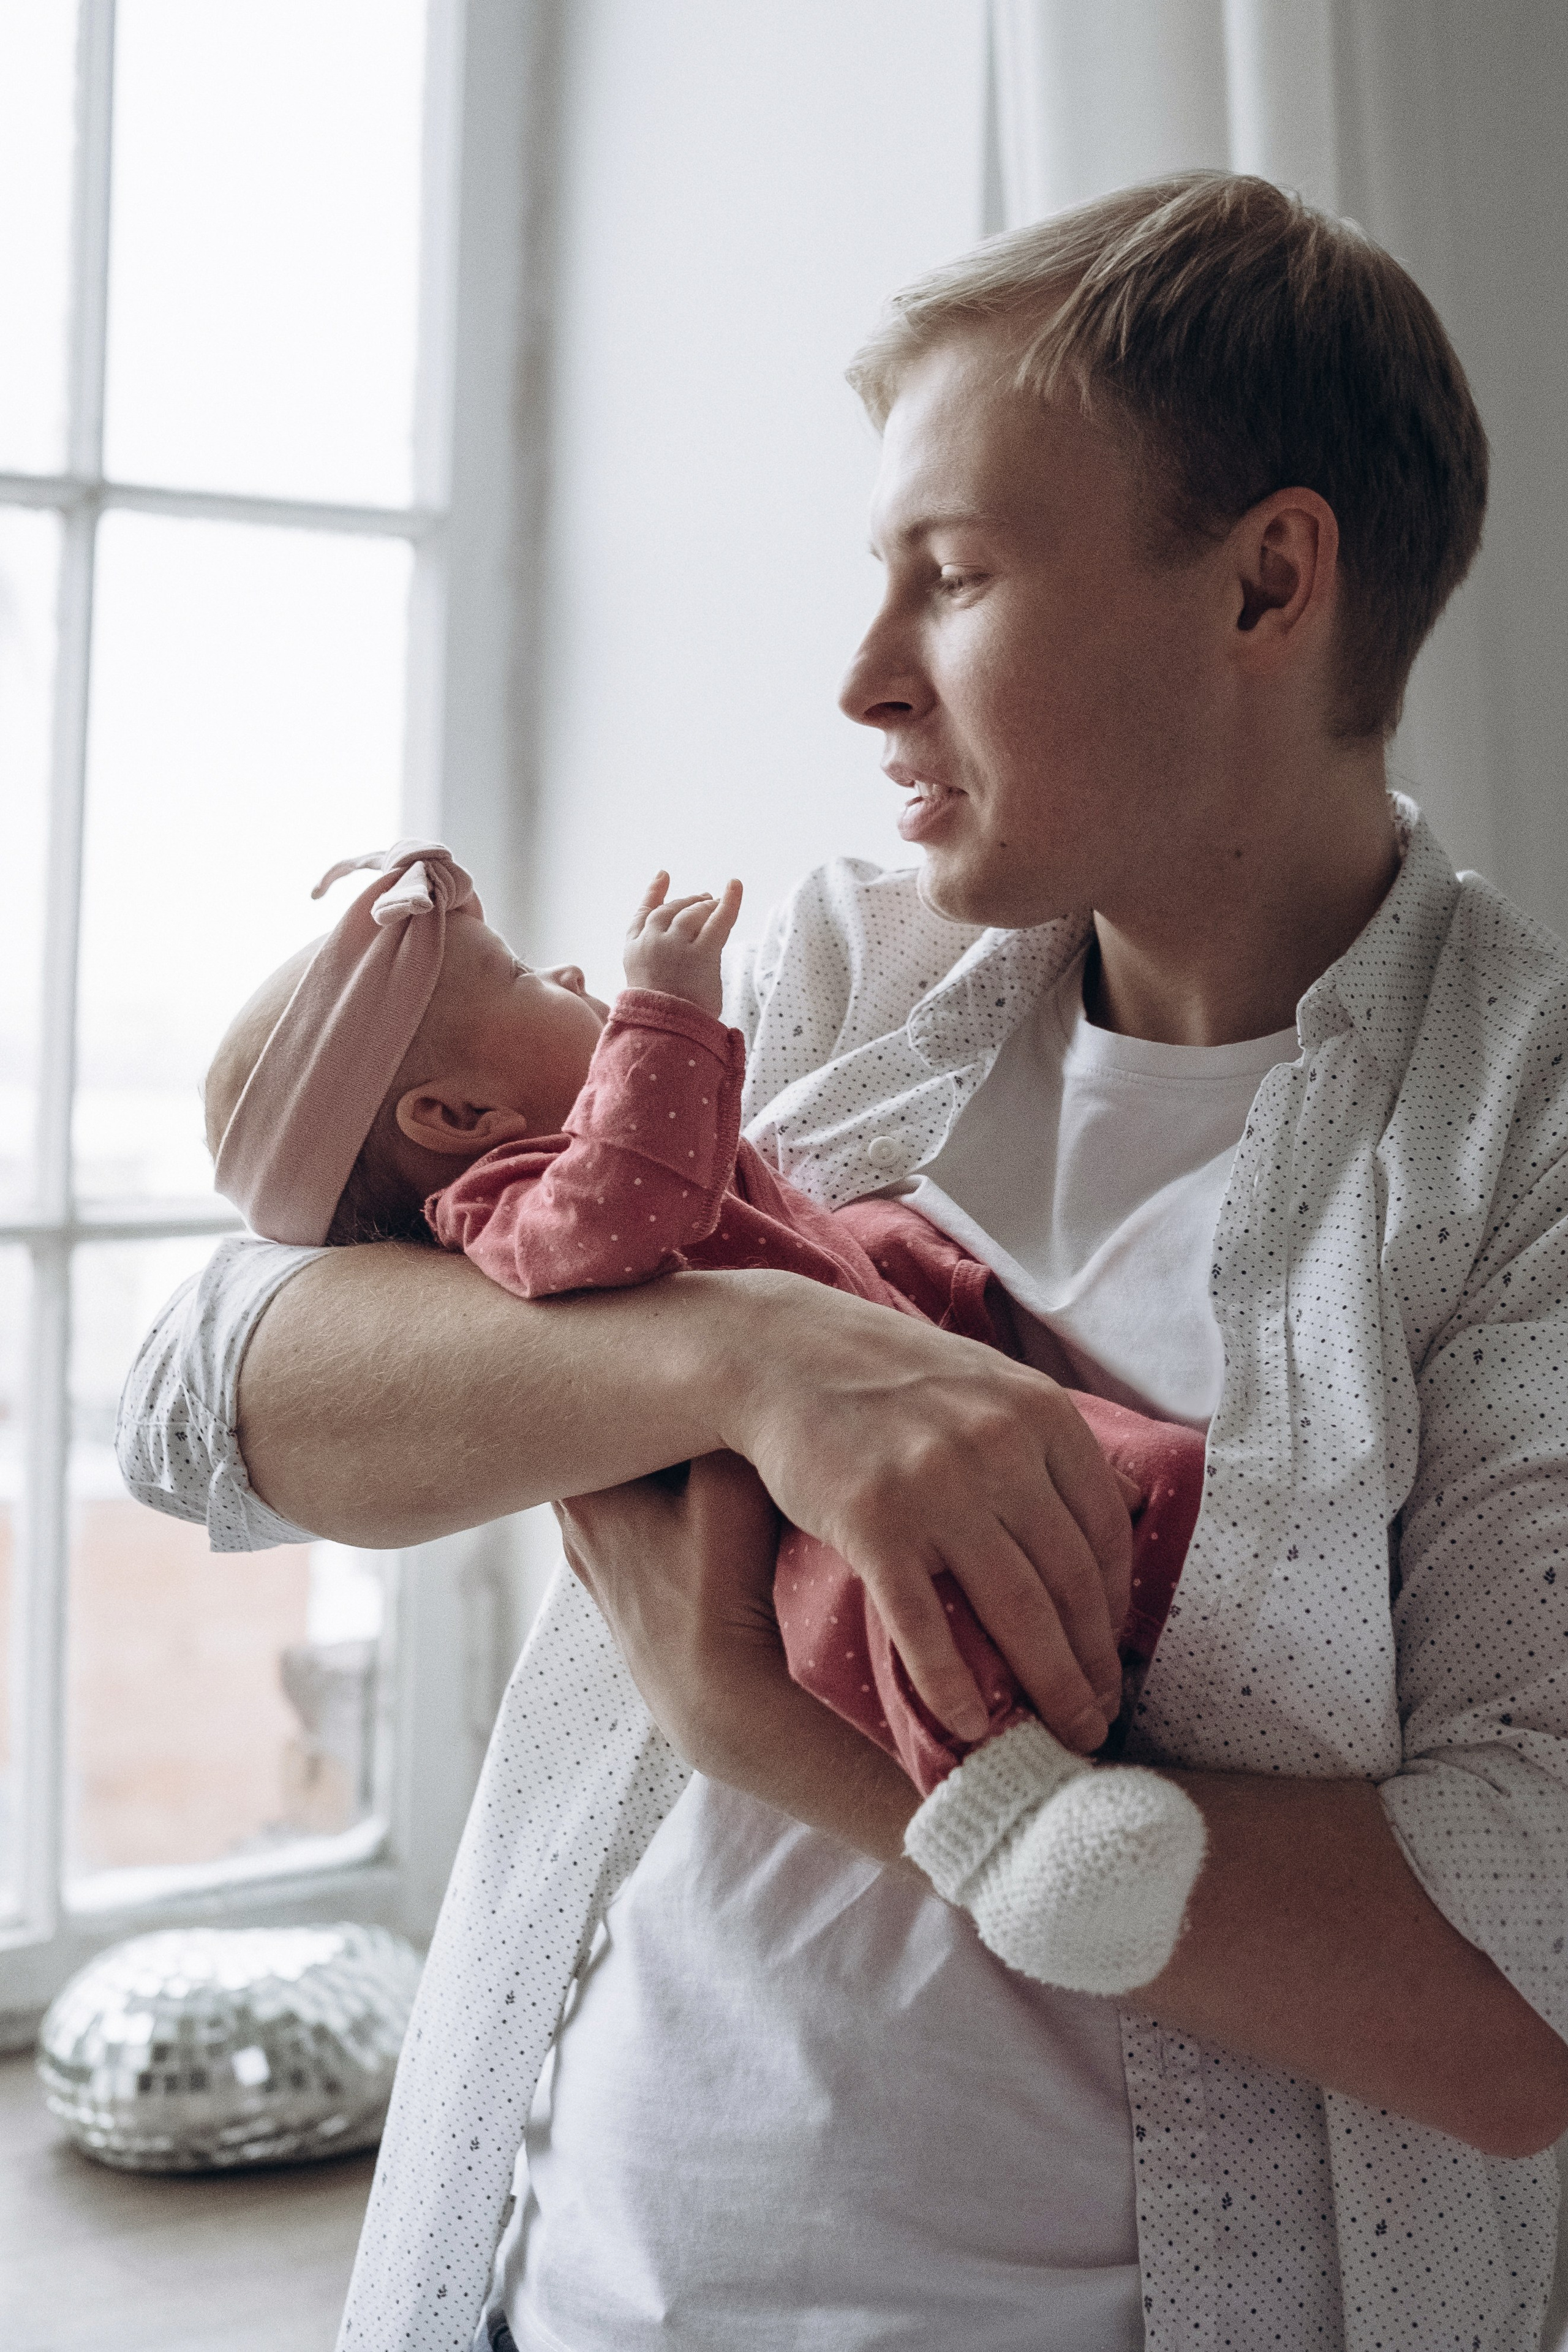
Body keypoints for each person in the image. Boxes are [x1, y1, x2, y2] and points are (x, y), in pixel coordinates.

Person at [118, 172, 1568, 2352]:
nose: (863, 677)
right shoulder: (821, 976)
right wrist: (763, 1362)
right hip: (561, 2294)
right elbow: (197, 1396)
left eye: (954, 578)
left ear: (1270, 583)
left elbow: (1515, 2014)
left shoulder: (1517, 1148)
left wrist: (780, 1740)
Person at [205, 842, 1208, 1989]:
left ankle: (1157, 1623)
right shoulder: (499, 1200)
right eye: (530, 974)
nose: (577, 976)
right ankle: (1009, 1823)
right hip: (794, 1521)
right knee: (900, 1611)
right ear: (458, 1112)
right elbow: (629, 1205)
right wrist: (665, 1013)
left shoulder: (555, 1160)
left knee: (1159, 1473)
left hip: (914, 1426)